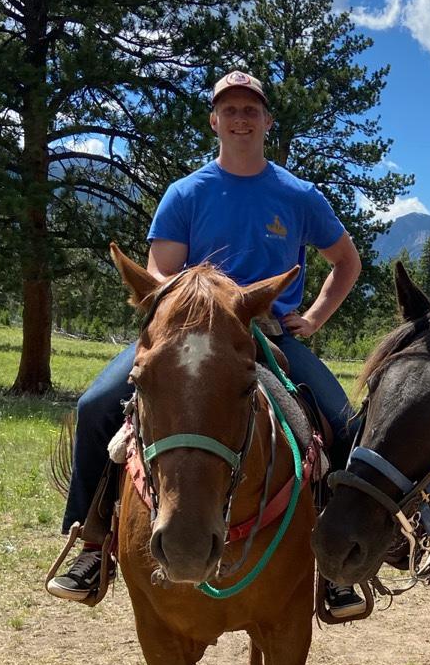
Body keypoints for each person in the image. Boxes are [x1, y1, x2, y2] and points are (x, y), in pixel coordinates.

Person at [47, 69, 368, 620]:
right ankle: (93, 541)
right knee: (97, 404)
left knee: (343, 422)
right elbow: (158, 269)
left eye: (251, 109)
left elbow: (347, 262)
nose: (241, 118)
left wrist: (312, 318)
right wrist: (198, 304)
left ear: (267, 121)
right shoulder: (186, 193)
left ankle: (334, 564)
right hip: (188, 334)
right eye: (230, 109)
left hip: (267, 336)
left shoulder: (298, 195)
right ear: (214, 120)